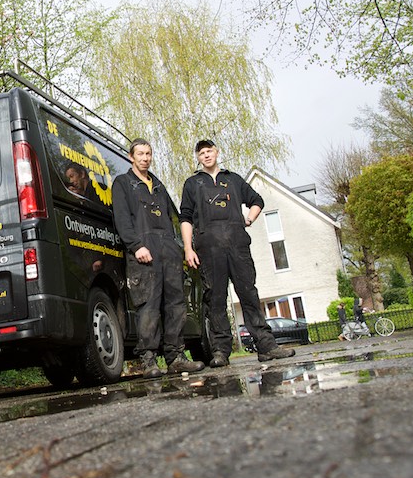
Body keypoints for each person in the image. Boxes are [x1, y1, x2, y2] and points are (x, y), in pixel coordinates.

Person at [179, 139, 295, 367]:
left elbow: (257, 201)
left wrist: (249, 218)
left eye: (209, 151)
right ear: (198, 158)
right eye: (202, 153)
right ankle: (221, 352)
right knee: (216, 301)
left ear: (217, 152)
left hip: (238, 247)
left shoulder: (233, 179)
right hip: (209, 250)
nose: (206, 156)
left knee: (249, 295)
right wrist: (188, 248)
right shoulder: (193, 184)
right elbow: (185, 217)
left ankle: (266, 346)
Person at [112, 138, 204, 377]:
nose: (145, 158)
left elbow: (170, 221)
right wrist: (136, 246)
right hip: (144, 254)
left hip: (168, 254)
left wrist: (178, 249)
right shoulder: (123, 183)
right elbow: (122, 220)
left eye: (148, 154)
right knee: (149, 307)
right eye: (140, 154)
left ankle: (176, 357)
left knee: (176, 306)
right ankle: (149, 361)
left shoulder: (159, 185)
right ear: (131, 157)